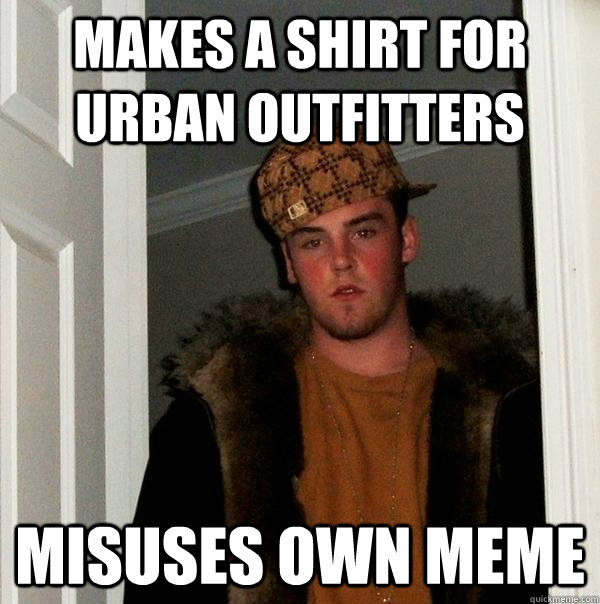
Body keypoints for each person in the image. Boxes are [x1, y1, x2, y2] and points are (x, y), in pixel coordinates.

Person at [124, 134, 543, 604]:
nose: (341, 261)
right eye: (313, 242)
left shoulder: (514, 411)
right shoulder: (210, 423)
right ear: (289, 263)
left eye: (363, 232)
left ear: (406, 240)